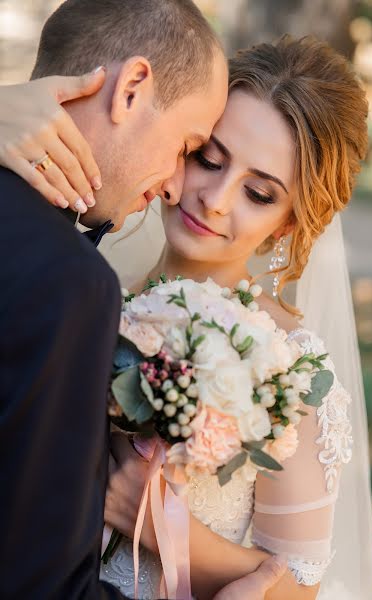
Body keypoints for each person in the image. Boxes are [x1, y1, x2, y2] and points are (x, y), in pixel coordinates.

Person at [1, 31, 372, 599]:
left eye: (259, 193)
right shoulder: (88, 290)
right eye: (209, 159)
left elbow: (302, 586)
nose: (217, 197)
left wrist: (160, 525)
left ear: (287, 225)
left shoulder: (288, 367)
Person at [0, 1, 235, 598]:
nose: (178, 187)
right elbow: (39, 584)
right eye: (189, 147)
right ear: (132, 87)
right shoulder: (69, 282)